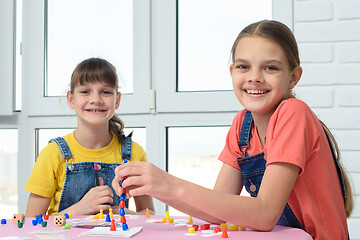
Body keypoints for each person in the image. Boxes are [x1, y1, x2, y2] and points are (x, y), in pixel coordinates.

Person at [112, 20, 353, 239]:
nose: (255, 77)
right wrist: (155, 187)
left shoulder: (294, 113)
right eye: (243, 67)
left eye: (270, 68)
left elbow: (265, 214)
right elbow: (215, 213)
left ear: (293, 77)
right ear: (232, 72)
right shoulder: (242, 125)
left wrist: (170, 184)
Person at [25, 58, 155, 217]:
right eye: (85, 91)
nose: (96, 100)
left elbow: (148, 213)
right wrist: (79, 209)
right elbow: (31, 223)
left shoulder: (134, 153)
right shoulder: (52, 154)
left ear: (117, 100)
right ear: (71, 99)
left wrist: (128, 215)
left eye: (106, 92)